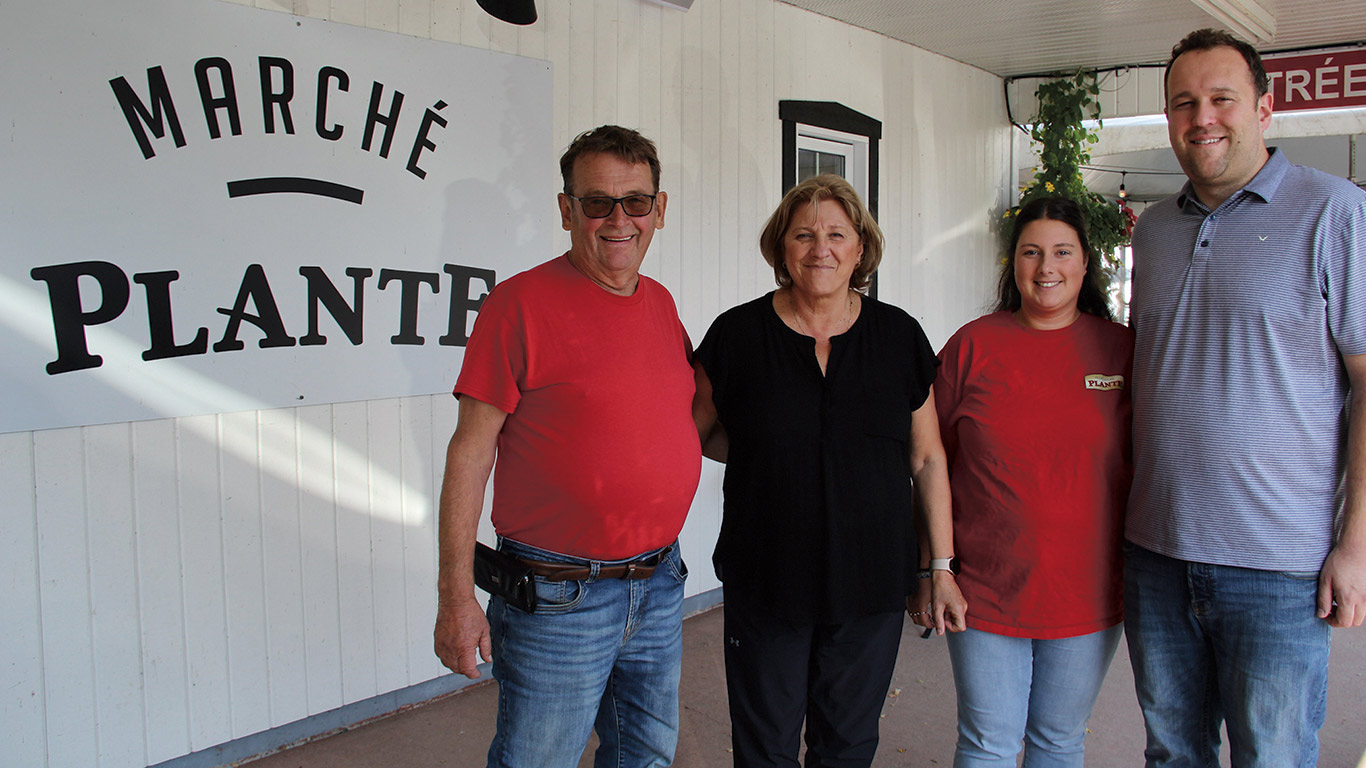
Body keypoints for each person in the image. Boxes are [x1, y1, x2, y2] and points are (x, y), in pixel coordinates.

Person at [1126, 28, 1366, 767]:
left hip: (1277, 566)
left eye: (1222, 99)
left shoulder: (1336, 212)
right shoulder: (1157, 231)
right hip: (1155, 556)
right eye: (1183, 103)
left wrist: (1355, 545)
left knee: (1272, 757)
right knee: (1172, 753)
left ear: (1265, 108)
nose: (1203, 118)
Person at [432, 125, 701, 768]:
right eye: (596, 202)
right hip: (558, 596)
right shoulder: (517, 305)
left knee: (645, 756)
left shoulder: (661, 304)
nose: (618, 220)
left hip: (659, 582)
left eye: (636, 202)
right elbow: (469, 453)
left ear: (659, 211)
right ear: (565, 210)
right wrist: (456, 595)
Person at [692, 174, 966, 768]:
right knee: (764, 747)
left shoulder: (899, 336)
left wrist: (939, 566)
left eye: (837, 234)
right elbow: (693, 435)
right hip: (766, 577)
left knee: (847, 745)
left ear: (861, 248)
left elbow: (927, 457)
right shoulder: (736, 335)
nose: (822, 249)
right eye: (804, 234)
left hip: (869, 581)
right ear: (781, 248)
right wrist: (774, 452)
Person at [934, 197, 1132, 767]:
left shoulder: (1122, 350)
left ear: (1086, 262)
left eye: (1062, 252)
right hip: (986, 590)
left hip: (1088, 591)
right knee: (987, 744)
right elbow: (930, 464)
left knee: (1058, 741)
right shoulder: (972, 346)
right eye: (1031, 252)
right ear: (1012, 263)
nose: (1047, 267)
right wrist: (933, 570)